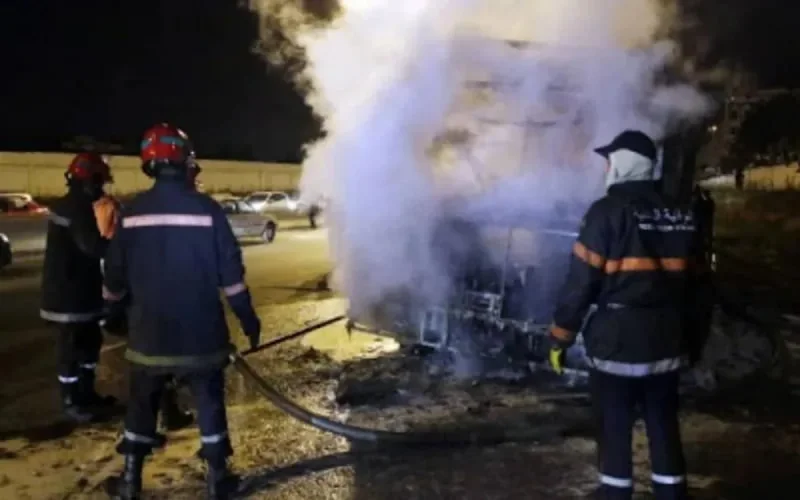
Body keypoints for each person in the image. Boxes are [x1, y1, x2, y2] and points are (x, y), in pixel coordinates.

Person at [103, 123, 261, 499]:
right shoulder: (209, 212)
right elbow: (232, 278)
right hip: (201, 336)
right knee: (209, 400)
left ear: (148, 164)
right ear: (186, 161)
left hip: (148, 336)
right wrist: (248, 320)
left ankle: (130, 480)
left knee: (142, 401)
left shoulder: (131, 213)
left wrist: (111, 313)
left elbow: (114, 275)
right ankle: (217, 478)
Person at [548, 130, 699, 500]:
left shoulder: (605, 213)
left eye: (610, 161)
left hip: (618, 343)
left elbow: (580, 284)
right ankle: (672, 492)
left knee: (614, 421)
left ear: (623, 164)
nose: (606, 168)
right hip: (667, 340)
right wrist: (693, 338)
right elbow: (700, 288)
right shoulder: (680, 213)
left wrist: (560, 337)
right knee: (663, 420)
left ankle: (615, 492)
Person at [41, 152, 117, 423]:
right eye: (100, 183)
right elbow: (93, 246)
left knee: (89, 344)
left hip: (79, 293)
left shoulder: (74, 204)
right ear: (89, 181)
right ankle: (72, 400)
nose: (102, 189)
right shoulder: (76, 206)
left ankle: (86, 394)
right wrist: (125, 248)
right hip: (69, 296)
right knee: (72, 349)